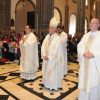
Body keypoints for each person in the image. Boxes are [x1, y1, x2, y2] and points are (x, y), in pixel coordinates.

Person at [77, 18, 100, 100]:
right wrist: (83, 52)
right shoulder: (85, 36)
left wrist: (93, 54)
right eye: (90, 23)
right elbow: (79, 46)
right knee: (84, 83)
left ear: (98, 25)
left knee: (94, 85)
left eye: (94, 23)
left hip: (94, 66)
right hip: (85, 65)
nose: (91, 24)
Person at [41, 17, 64, 90]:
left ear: (55, 29)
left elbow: (56, 50)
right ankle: (46, 84)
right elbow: (43, 46)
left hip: (53, 60)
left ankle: (53, 85)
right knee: (46, 71)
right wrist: (44, 54)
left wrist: (49, 56)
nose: (49, 29)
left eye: (51, 28)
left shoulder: (58, 38)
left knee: (53, 73)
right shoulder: (47, 36)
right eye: (49, 28)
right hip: (46, 58)